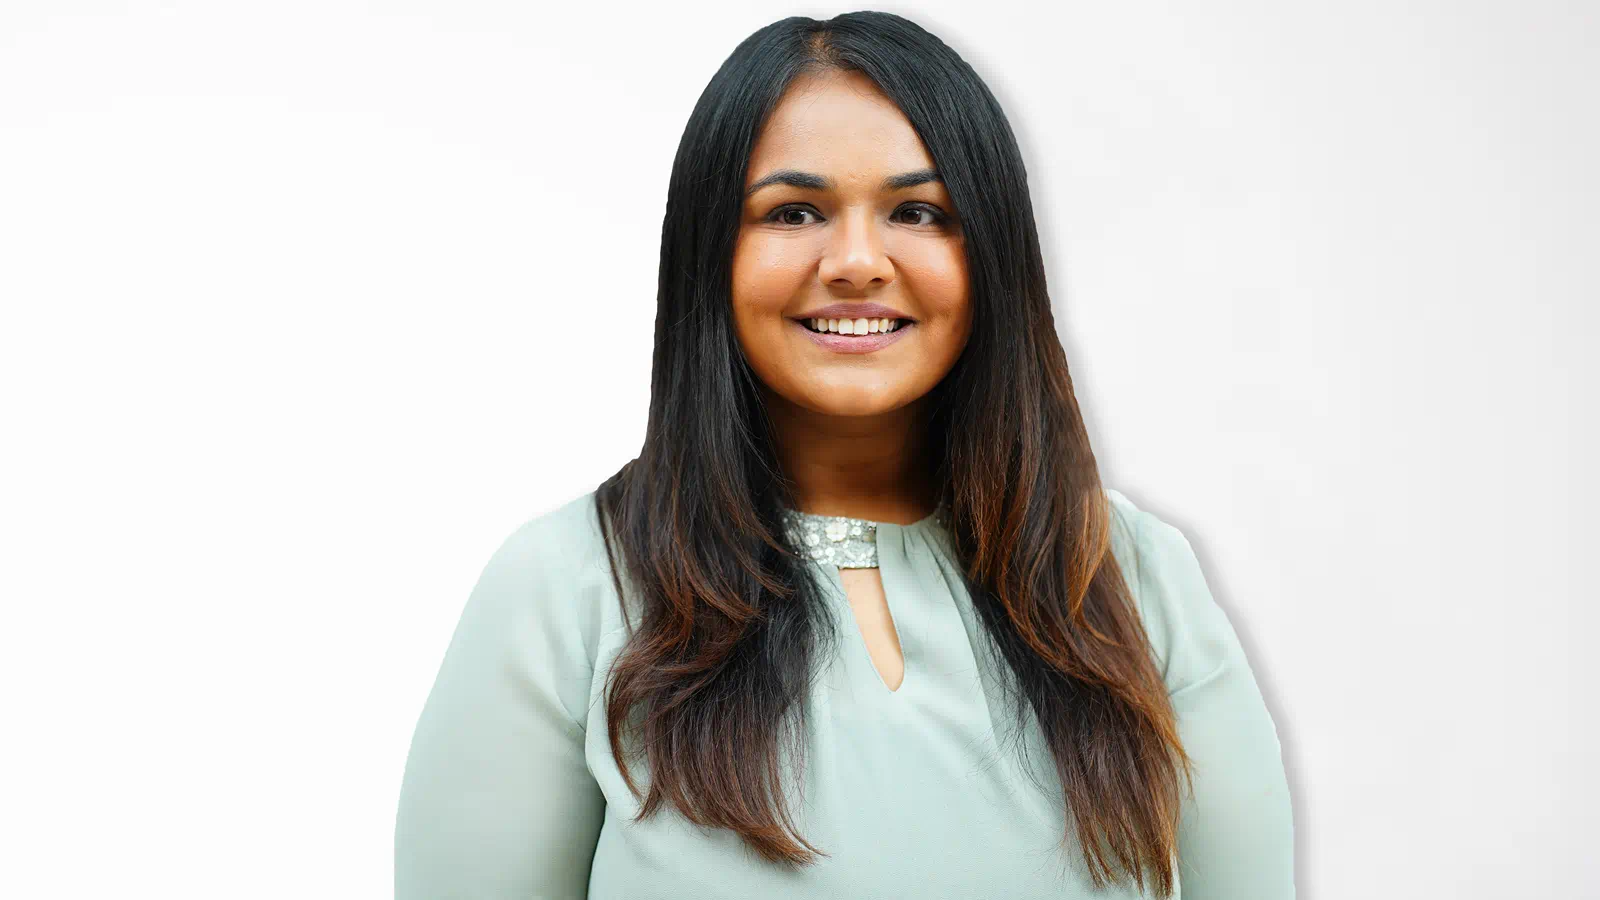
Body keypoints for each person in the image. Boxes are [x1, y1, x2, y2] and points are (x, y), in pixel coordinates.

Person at [394, 11, 1294, 899]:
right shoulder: (566, 589)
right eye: (793, 211)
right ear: (710, 255)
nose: (857, 260)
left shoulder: (1133, 579)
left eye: (916, 211)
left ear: (994, 256)